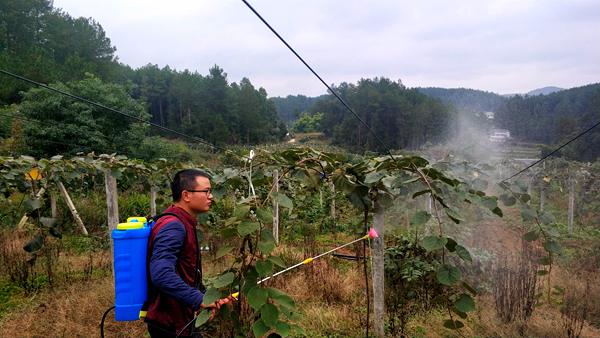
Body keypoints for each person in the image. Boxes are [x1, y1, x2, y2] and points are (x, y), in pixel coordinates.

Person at [144, 169, 229, 337]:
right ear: (186, 195)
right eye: (206, 191)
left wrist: (203, 299)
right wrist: (199, 300)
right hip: (170, 323)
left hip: (179, 319)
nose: (211, 197)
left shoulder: (183, 221)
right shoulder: (174, 226)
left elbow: (185, 272)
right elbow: (161, 274)